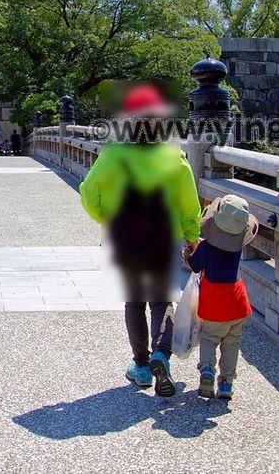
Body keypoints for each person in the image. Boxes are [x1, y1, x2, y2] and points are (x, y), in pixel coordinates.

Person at [79, 84, 201, 397]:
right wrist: (191, 239)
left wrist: (107, 217)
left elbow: (88, 190)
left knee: (134, 301)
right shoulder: (175, 157)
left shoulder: (114, 154)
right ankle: (162, 354)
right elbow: (190, 206)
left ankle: (142, 366)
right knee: (162, 300)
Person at [183, 195, 257, 400]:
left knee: (210, 338)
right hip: (238, 302)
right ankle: (226, 383)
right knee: (232, 343)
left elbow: (195, 266)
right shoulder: (237, 247)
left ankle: (207, 370)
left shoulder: (206, 248)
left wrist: (187, 256)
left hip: (216, 302)